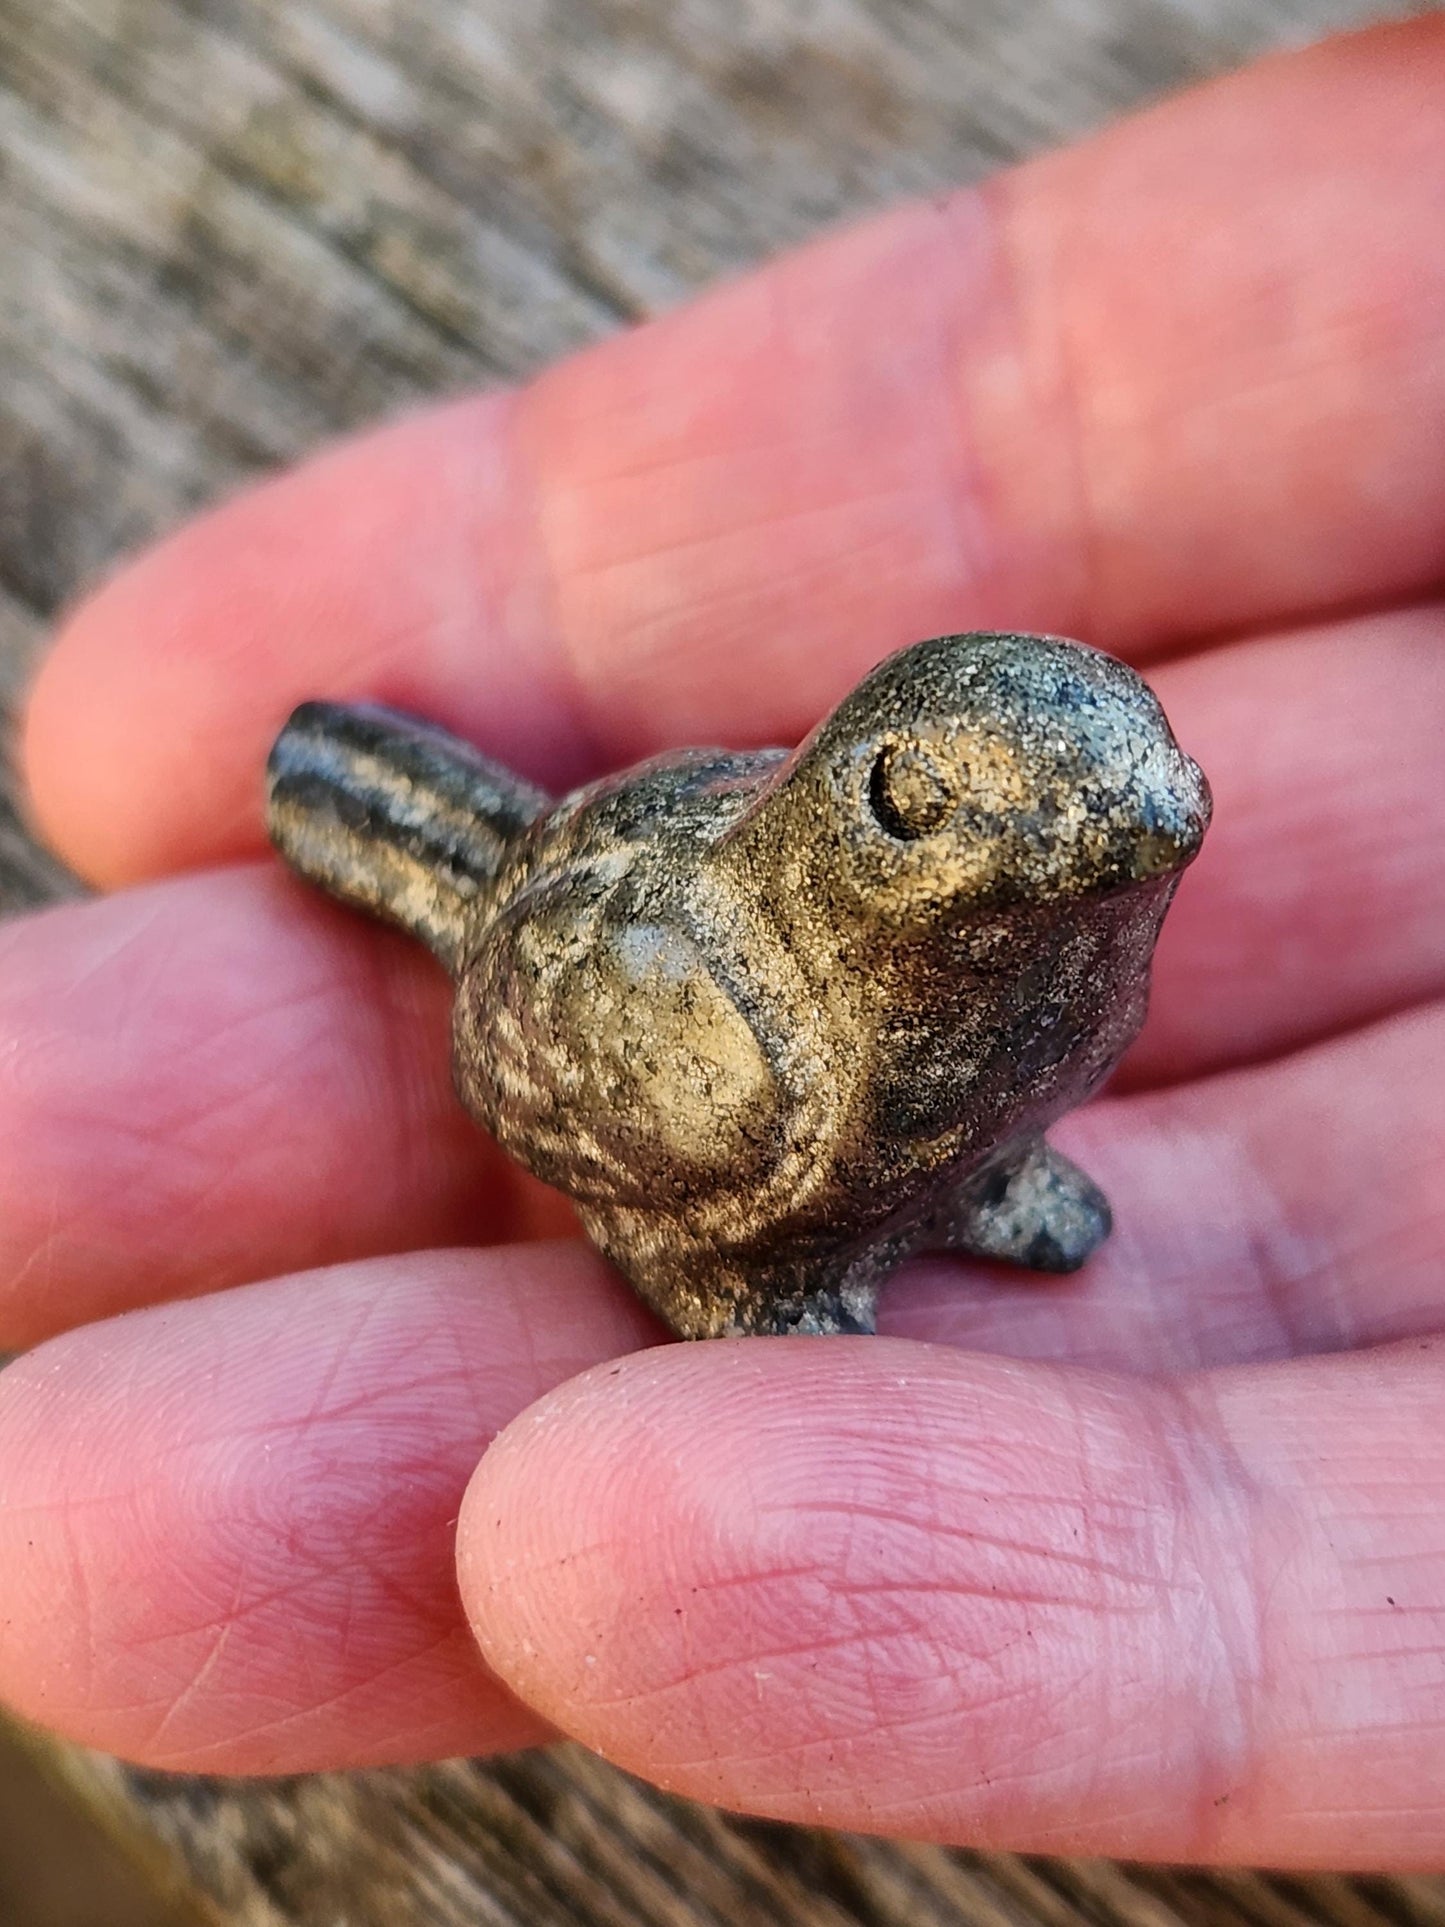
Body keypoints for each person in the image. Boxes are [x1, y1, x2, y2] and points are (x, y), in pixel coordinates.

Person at [0, 16, 1442, 1869]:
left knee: (977, 1106)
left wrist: (979, 1134)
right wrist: (723, 1229)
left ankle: (954, 1189)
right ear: (889, 823)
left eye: (1143, 784)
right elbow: (586, 1047)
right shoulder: (761, 1026)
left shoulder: (1061, 972)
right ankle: (758, 1260)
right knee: (759, 1173)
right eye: (1036, 829)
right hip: (604, 965)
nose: (1147, 830)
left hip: (844, 1013)